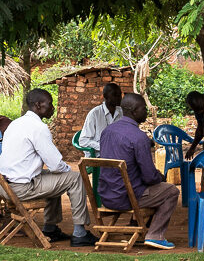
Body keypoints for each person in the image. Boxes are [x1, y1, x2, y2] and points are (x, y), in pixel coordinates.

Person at [0, 88, 94, 246]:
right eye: (49, 104)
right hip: (21, 188)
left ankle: (50, 228)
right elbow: (56, 164)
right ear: (38, 105)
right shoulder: (38, 128)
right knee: (74, 178)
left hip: (5, 187)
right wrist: (67, 171)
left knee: (54, 176)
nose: (53, 108)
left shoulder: (16, 124)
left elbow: (54, 169)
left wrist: (60, 173)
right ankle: (80, 233)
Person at [99, 92, 179, 250]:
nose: (146, 112)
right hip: (127, 198)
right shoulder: (139, 137)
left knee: (147, 186)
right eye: (144, 108)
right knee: (170, 191)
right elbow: (149, 177)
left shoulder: (107, 131)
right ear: (135, 110)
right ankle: (155, 236)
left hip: (106, 195)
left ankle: (135, 226)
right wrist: (160, 177)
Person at [78, 82, 123, 154]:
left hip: (116, 154)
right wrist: (102, 147)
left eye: (120, 94)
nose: (119, 97)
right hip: (99, 155)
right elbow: (83, 141)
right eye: (115, 95)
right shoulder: (95, 114)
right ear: (105, 96)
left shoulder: (122, 113)